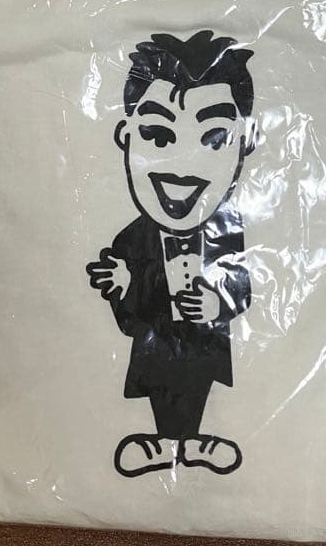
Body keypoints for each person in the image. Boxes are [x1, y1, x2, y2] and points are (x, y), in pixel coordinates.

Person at [87, 30, 254, 477]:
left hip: (203, 338)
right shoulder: (131, 239)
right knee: (161, 380)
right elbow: (125, 307)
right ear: (126, 136)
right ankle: (165, 443)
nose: (183, 164)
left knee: (197, 381)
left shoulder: (228, 233)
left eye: (213, 139)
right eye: (159, 136)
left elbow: (242, 285)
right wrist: (124, 286)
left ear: (245, 142)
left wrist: (217, 304)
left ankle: (194, 440)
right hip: (156, 335)